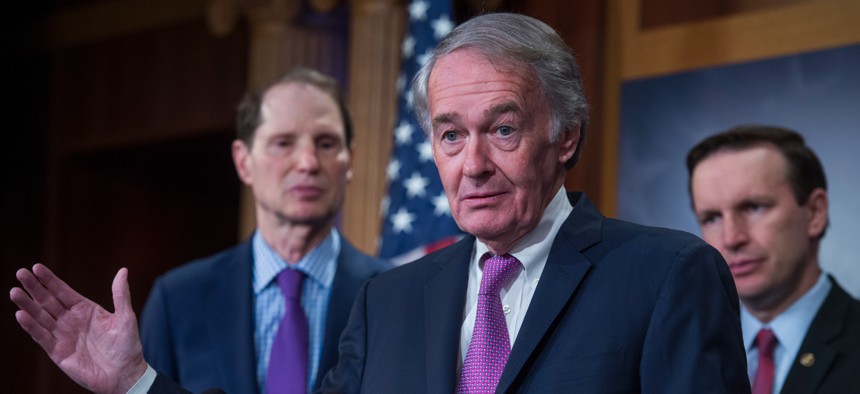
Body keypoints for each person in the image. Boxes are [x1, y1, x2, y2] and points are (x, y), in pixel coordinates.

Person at [10, 13, 748, 393]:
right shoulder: (392, 301)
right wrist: (138, 382)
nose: (473, 164)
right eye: (450, 135)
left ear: (565, 136)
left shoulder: (666, 275)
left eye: (503, 128)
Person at [11, 67, 390, 394]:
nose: (308, 162)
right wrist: (132, 381)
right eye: (283, 143)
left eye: (326, 143)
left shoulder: (394, 294)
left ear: (350, 161)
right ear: (243, 161)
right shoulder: (178, 298)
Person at [687, 125, 860, 394]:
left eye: (754, 207)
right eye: (712, 218)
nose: (731, 238)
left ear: (815, 212)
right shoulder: (686, 352)